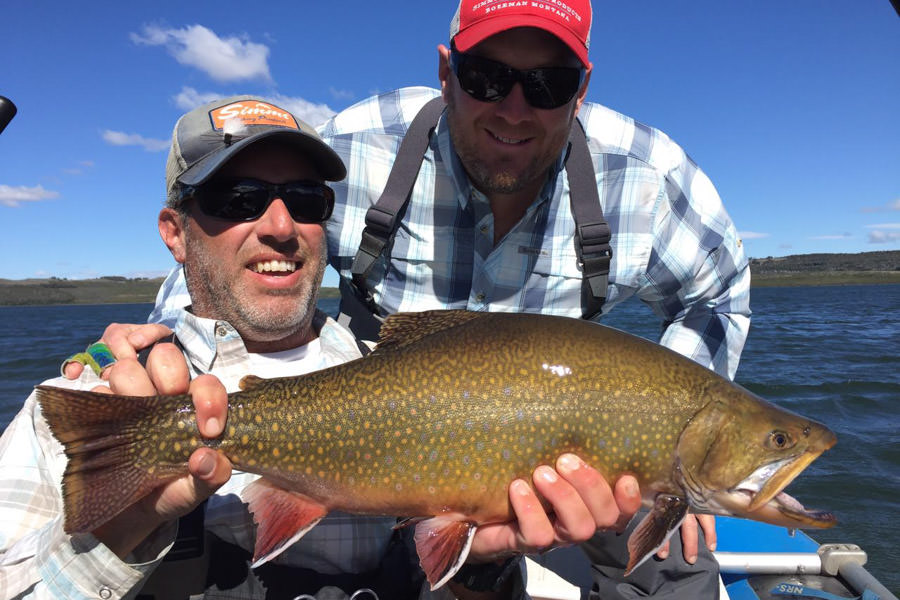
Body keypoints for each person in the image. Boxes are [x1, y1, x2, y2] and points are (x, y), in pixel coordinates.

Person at [68, 1, 750, 597]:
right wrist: (150, 354)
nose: (514, 109)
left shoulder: (649, 177)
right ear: (446, 72)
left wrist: (677, 466)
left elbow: (718, 294)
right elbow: (240, 243)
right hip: (385, 423)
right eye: (487, 77)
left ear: (582, 90)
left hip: (564, 423)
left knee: (682, 568)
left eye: (548, 84)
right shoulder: (356, 148)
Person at [1, 96, 641, 600]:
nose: (280, 226)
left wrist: (483, 572)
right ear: (175, 233)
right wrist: (115, 536)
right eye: (239, 200)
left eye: (306, 200)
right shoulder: (97, 395)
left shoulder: (408, 379)